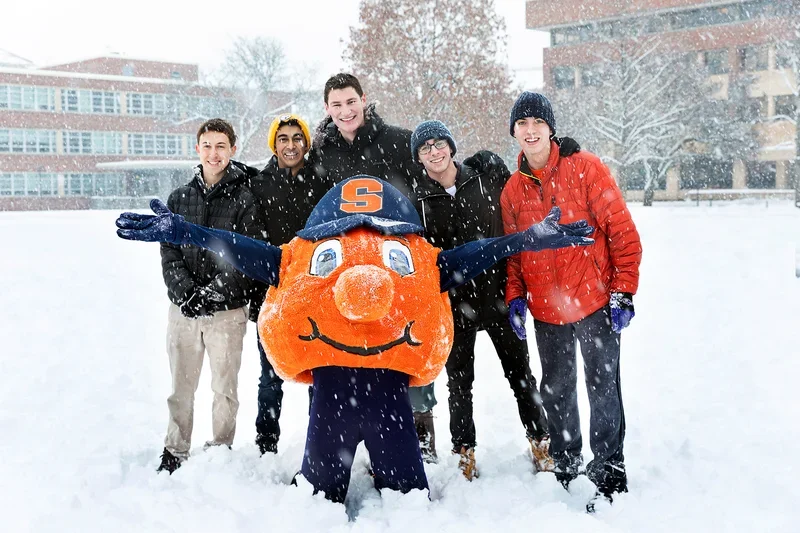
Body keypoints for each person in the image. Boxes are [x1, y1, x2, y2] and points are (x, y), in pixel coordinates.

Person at [409, 120, 580, 480]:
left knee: (521, 375)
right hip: (453, 304)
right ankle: (465, 451)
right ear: (419, 158)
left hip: (498, 297)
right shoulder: (418, 199)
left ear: (451, 147)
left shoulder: (485, 176)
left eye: (440, 143)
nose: (434, 152)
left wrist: (561, 151)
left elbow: (526, 180)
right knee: (459, 381)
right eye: (425, 148)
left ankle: (540, 441)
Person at [500, 92, 642, 511]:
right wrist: (515, 297)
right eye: (522, 124)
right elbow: (514, 254)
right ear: (514, 132)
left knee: (603, 388)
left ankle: (609, 468)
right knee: (557, 389)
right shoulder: (512, 190)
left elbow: (623, 233)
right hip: (547, 309)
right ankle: (565, 463)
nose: (530, 131)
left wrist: (623, 291)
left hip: (595, 301)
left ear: (550, 129)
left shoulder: (586, 169)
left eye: (537, 123)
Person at [308, 73, 438, 460]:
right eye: (337, 104)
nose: (345, 111)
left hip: (395, 263)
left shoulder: (398, 140)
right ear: (327, 109)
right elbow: (307, 196)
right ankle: (338, 439)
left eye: (351, 101)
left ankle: (421, 432)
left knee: (404, 342)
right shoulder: (323, 151)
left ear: (364, 100)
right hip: (343, 270)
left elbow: (435, 169)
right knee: (342, 350)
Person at [156, 118, 261, 473]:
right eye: (207, 146)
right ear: (197, 148)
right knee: (180, 387)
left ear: (233, 149)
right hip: (183, 311)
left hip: (227, 312)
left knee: (224, 389)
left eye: (221, 146)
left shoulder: (245, 199)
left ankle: (220, 446)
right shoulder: (179, 198)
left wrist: (215, 292)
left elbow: (245, 255)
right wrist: (187, 292)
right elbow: (169, 252)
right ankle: (175, 448)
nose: (214, 154)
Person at [246, 114, 329, 455]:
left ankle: (319, 442)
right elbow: (250, 238)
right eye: (284, 139)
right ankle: (267, 443)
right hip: (275, 292)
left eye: (297, 138)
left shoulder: (322, 181)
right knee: (270, 376)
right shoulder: (260, 184)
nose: (291, 144)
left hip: (314, 293)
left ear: (306, 143)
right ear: (274, 144)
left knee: (319, 378)